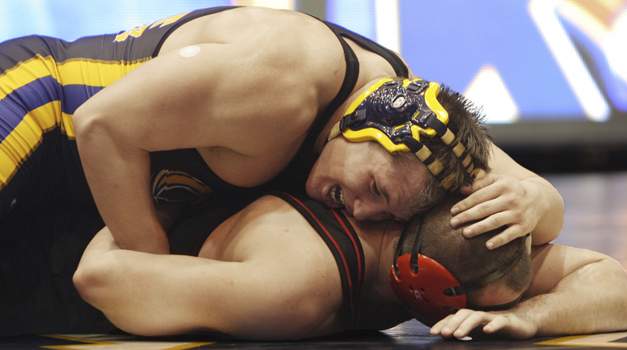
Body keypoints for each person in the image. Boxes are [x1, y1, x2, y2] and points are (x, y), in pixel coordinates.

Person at [0, 6, 564, 255]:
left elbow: (534, 194)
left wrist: (533, 203)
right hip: (39, 106)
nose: (365, 212)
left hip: (81, 184)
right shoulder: (282, 82)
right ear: (359, 128)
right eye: (375, 190)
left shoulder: (411, 121)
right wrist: (149, 257)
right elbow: (103, 124)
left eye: (387, 211)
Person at [69, 192, 627, 341]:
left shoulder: (450, 227)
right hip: (53, 239)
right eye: (477, 306)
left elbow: (620, 289)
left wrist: (534, 317)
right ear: (423, 285)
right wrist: (139, 203)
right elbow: (97, 279)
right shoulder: (293, 287)